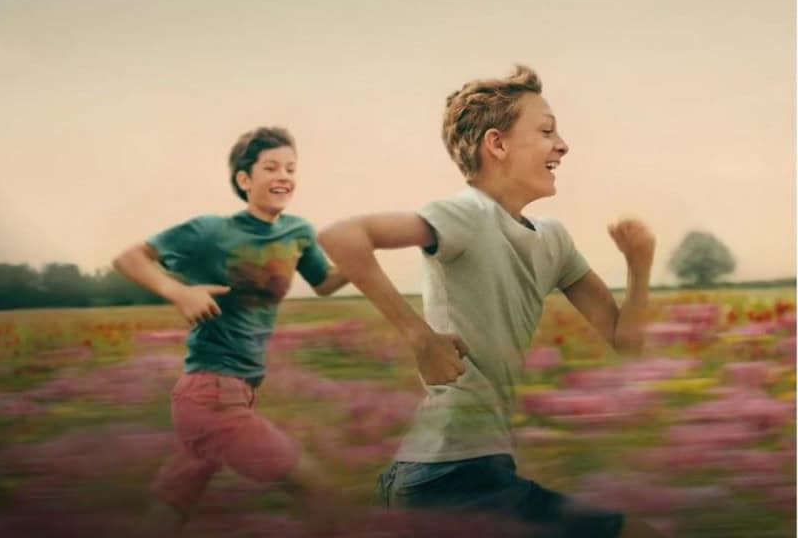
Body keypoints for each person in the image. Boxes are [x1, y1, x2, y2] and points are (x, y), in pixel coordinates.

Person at [317, 65, 663, 537]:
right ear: (497, 144)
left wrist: (639, 267)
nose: (563, 145)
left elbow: (627, 344)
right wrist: (420, 337)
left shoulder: (554, 241)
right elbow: (341, 236)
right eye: (546, 131)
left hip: (469, 471)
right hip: (448, 479)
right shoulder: (466, 213)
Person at [114, 126, 348, 536]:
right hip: (211, 397)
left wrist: (366, 254)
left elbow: (325, 282)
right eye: (271, 167)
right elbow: (129, 258)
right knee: (317, 491)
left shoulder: (298, 233)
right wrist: (179, 292)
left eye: (291, 168)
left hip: (232, 392)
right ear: (244, 179)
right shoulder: (210, 231)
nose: (284, 176)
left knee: (171, 508)